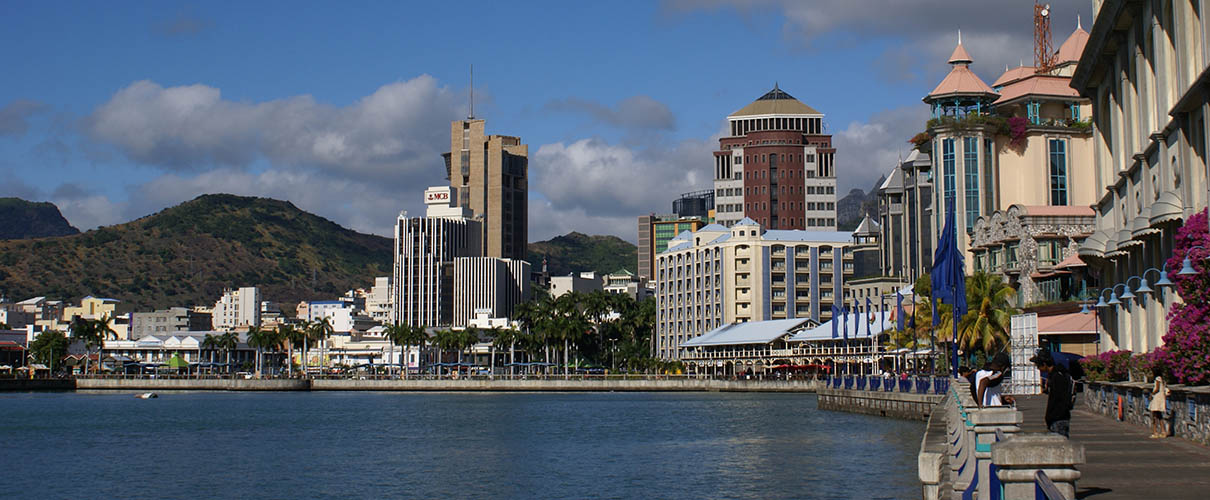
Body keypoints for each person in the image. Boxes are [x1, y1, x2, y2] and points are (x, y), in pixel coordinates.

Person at [1030, 350, 1073, 437]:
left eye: (1038, 365)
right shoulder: (1055, 375)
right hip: (1057, 418)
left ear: (1044, 364)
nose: (1038, 368)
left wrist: (1051, 417)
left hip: (1058, 419)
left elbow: (1059, 400)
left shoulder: (1058, 377)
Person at [1149, 371, 1170, 439]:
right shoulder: (1163, 380)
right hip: (1161, 398)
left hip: (1157, 398)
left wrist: (1152, 394)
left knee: (1154, 416)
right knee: (1159, 415)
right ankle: (1163, 431)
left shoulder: (1157, 378)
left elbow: (1157, 388)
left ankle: (1155, 432)